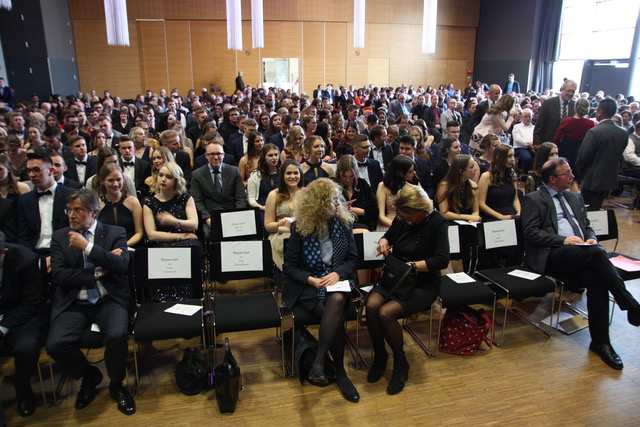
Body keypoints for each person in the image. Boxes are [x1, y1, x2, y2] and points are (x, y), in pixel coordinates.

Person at [522, 158, 640, 370]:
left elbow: (586, 227)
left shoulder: (574, 197)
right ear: (552, 179)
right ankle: (630, 305)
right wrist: (563, 240)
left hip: (583, 253)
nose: (572, 176)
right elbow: (530, 233)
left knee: (596, 279)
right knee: (597, 254)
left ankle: (601, 342)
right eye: (567, 173)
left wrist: (591, 238)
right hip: (553, 255)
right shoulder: (534, 199)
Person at [46, 188, 136, 415]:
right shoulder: (60, 237)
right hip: (74, 302)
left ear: (94, 213)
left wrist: (87, 247)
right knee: (55, 344)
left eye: (79, 210)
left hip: (109, 299)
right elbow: (60, 276)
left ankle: (117, 384)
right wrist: (99, 271)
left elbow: (122, 265)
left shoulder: (115, 232)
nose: (72, 215)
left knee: (117, 335)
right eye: (69, 210)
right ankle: (89, 376)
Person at [367, 184, 449, 394]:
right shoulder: (403, 217)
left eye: (411, 217)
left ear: (422, 210)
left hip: (423, 282)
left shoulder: (437, 222)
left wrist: (412, 266)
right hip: (396, 276)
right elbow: (389, 236)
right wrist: (384, 241)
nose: (407, 221)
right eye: (404, 217)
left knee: (386, 313)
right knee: (371, 306)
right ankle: (380, 355)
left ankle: (400, 362)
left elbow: (441, 260)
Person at [283, 178, 360, 402]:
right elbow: (289, 267)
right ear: (318, 203)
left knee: (336, 300)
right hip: (309, 284)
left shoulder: (344, 224)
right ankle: (340, 372)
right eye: (332, 200)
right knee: (335, 317)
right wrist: (311, 280)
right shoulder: (300, 227)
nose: (338, 204)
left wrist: (338, 273)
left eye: (338, 199)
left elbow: (353, 260)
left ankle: (320, 362)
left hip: (337, 280)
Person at [0, 231, 47, 417]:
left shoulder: (25, 259)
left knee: (26, 346)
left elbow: (31, 302)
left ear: (3, 251)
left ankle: (23, 388)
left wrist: (3, 327)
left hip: (23, 312)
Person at [18, 152, 74, 256]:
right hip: (33, 253)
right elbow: (23, 235)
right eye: (29, 171)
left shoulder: (70, 195)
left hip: (63, 252)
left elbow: (75, 230)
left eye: (36, 170)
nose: (31, 175)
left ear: (51, 171)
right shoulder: (24, 200)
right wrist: (30, 257)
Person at [576, 98, 628, 210]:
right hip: (609, 178)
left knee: (587, 210)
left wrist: (579, 173)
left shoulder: (595, 131)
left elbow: (583, 156)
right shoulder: (623, 132)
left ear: (599, 111)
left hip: (592, 178)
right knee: (597, 207)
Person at [191, 140, 247, 238]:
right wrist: (207, 219)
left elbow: (241, 198)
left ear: (223, 155)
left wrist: (235, 217)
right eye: (212, 154)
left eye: (219, 154)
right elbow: (197, 201)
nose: (216, 157)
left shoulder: (234, 171)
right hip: (210, 217)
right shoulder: (197, 175)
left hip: (232, 215)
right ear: (206, 155)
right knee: (206, 234)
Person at [143, 162, 199, 247]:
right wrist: (181, 236)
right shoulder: (149, 203)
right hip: (161, 243)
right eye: (161, 175)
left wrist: (174, 221)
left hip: (185, 243)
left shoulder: (185, 198)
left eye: (169, 177)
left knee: (194, 247)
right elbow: (151, 235)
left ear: (176, 181)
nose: (163, 179)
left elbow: (194, 225)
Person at [264, 159, 303, 270]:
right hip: (281, 235)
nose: (293, 176)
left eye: (296, 173)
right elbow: (268, 225)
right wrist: (280, 224)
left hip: (303, 233)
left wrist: (294, 221)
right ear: (282, 176)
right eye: (288, 173)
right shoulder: (273, 195)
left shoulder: (307, 193)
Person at [98, 163, 144, 247]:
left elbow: (139, 233)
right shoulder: (97, 204)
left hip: (130, 247)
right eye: (110, 180)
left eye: (119, 179)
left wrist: (124, 246)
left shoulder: (133, 202)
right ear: (102, 181)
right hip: (106, 249)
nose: (115, 184)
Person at [335, 155, 378, 231]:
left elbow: (375, 210)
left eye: (351, 176)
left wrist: (362, 212)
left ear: (356, 174)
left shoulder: (362, 185)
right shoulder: (332, 185)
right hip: (339, 226)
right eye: (344, 176)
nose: (348, 180)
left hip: (362, 225)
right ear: (338, 173)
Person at [478, 144, 520, 221]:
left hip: (511, 215)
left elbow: (515, 199)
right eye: (509, 156)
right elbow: (481, 204)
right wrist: (501, 217)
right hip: (493, 216)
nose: (513, 159)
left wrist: (518, 213)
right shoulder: (486, 176)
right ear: (498, 157)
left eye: (513, 156)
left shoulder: (512, 175)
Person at [553, 98, 595, 173]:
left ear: (575, 107)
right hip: (581, 151)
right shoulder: (590, 123)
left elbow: (556, 138)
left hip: (566, 150)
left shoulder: (567, 121)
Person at [376, 155, 416, 231]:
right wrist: (396, 227)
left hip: (408, 222)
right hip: (389, 223)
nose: (414, 173)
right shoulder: (383, 186)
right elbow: (381, 216)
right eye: (410, 171)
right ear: (401, 173)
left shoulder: (412, 188)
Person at [436, 155, 481, 222]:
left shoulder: (473, 186)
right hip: (451, 223)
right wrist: (468, 217)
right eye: (471, 167)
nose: (475, 169)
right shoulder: (444, 187)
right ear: (461, 171)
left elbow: (475, 210)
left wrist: (472, 218)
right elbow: (444, 213)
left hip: (469, 222)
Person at [533, 80, 577, 148]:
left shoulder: (575, 105)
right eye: (568, 90)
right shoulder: (548, 103)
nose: (570, 93)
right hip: (548, 143)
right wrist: (536, 143)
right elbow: (539, 125)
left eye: (573, 91)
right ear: (561, 89)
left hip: (566, 145)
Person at [247, 143, 280, 211]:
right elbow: (251, 198)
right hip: (262, 208)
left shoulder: (283, 173)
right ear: (264, 157)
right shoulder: (255, 175)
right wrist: (262, 208)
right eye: (270, 155)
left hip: (280, 207)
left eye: (276, 155)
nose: (274, 158)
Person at [512, 108, 536, 173]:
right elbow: (517, 139)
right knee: (527, 158)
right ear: (522, 117)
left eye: (529, 116)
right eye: (526, 117)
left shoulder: (534, 127)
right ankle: (526, 174)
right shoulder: (517, 127)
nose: (528, 118)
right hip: (520, 148)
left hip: (533, 147)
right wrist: (528, 143)